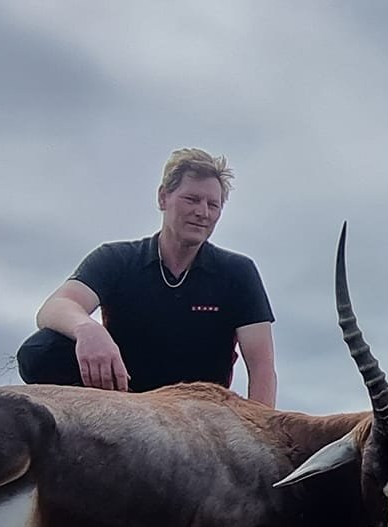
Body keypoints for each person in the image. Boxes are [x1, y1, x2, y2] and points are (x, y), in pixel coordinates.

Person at [17, 149, 277, 403]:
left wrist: (265, 437)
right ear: (163, 198)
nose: (203, 212)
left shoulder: (237, 272)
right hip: (124, 404)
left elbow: (262, 367)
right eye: (192, 199)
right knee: (40, 350)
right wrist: (87, 328)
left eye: (213, 205)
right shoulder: (117, 259)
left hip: (200, 416)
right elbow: (55, 307)